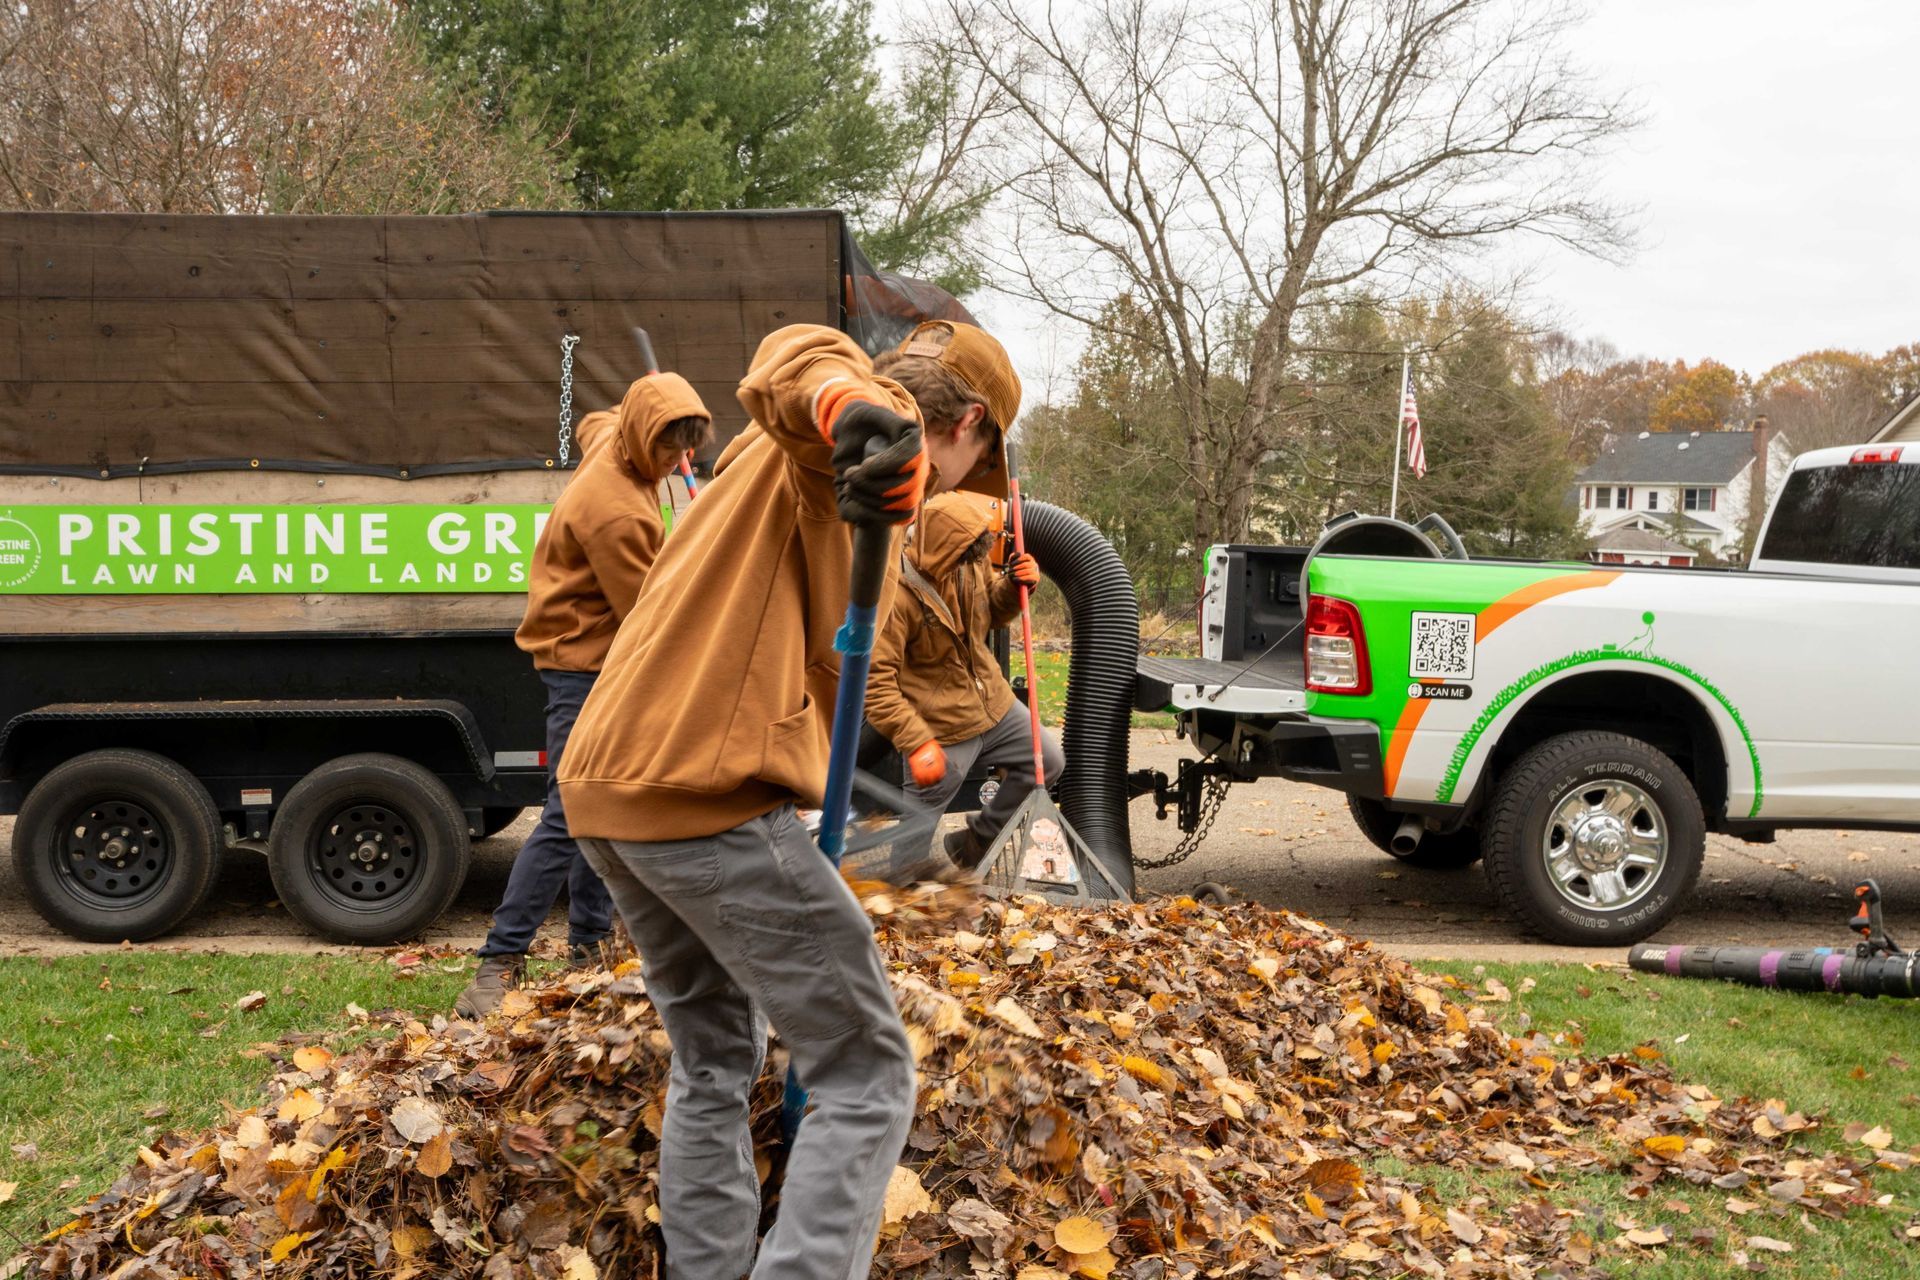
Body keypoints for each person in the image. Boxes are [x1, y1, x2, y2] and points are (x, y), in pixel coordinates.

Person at [557, 319, 1018, 1280]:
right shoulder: (843, 441)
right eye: (975, 456)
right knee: (866, 1072)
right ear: (969, 421)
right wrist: (862, 413)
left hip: (615, 788)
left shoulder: (782, 467)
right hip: (701, 796)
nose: (963, 480)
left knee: (715, 1058)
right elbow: (794, 353)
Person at [453, 373, 713, 1019]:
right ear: (640, 440)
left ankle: (589, 947)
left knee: (608, 809)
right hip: (587, 667)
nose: (667, 466)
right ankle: (498, 964)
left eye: (677, 453)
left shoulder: (610, 442)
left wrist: (658, 432)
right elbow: (650, 614)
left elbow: (593, 421)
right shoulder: (617, 510)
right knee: (571, 814)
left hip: (593, 658)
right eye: (662, 451)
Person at [864, 491, 1065, 873]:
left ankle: (975, 842)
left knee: (1047, 762)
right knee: (915, 830)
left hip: (993, 702)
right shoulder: (894, 595)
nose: (969, 564)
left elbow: (990, 611)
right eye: (961, 555)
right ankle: (901, 899)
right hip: (941, 727)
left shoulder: (966, 564)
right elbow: (877, 687)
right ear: (941, 548)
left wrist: (1016, 587)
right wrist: (916, 740)